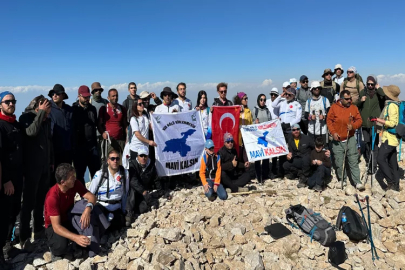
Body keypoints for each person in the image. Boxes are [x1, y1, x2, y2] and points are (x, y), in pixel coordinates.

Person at [44, 163, 104, 259]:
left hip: (68, 217)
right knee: (60, 247)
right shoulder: (52, 197)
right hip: (54, 224)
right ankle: (54, 244)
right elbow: (56, 226)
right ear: (63, 182)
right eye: (72, 177)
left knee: (88, 223)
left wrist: (88, 209)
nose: (75, 179)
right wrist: (75, 237)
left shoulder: (75, 184)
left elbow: (92, 197)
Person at [19, 96, 53, 251]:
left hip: (44, 167)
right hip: (31, 168)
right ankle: (24, 238)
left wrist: (50, 162)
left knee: (41, 200)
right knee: (28, 203)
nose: (48, 113)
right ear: (39, 106)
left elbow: (48, 142)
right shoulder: (25, 117)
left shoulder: (46, 120)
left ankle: (38, 230)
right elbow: (30, 133)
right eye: (46, 109)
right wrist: (40, 115)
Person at [0, 91, 23, 268]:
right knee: (5, 214)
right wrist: (6, 180)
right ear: (0, 104)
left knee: (14, 210)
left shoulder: (15, 123)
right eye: (7, 101)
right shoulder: (0, 125)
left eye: (13, 101)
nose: (11, 104)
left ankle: (8, 245)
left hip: (18, 175)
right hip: (6, 179)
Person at [326, 90, 365, 191]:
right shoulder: (334, 107)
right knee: (339, 161)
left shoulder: (353, 107)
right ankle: (342, 180)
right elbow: (329, 121)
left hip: (350, 138)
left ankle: (357, 182)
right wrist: (333, 132)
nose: (349, 101)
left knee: (353, 160)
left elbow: (359, 120)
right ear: (341, 99)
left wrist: (353, 126)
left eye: (350, 98)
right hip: (337, 140)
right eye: (347, 99)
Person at [89, 150, 129, 231]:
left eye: (117, 159)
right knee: (101, 225)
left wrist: (124, 211)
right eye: (112, 159)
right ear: (108, 161)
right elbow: (90, 193)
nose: (115, 161)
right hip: (102, 206)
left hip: (116, 206)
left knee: (118, 226)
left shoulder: (125, 173)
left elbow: (125, 193)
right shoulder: (100, 174)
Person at [126, 146, 163, 226]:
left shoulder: (151, 165)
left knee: (143, 209)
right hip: (134, 190)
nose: (143, 158)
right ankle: (128, 214)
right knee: (132, 192)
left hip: (144, 192)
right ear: (137, 156)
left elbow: (156, 179)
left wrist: (161, 191)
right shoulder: (132, 164)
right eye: (141, 156)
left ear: (148, 156)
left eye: (145, 156)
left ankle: (135, 211)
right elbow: (133, 180)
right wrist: (143, 191)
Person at [72, 86, 100, 185]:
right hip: (79, 147)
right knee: (79, 175)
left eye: (88, 97)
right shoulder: (73, 110)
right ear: (79, 96)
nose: (87, 99)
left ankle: (96, 195)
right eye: (84, 97)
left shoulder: (92, 109)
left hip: (92, 146)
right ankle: (83, 197)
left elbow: (96, 124)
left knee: (96, 173)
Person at [375, 85, 401, 191]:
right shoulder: (395, 105)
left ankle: (390, 182)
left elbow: (392, 123)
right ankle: (396, 185)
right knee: (392, 162)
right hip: (393, 138)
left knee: (380, 159)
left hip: (389, 139)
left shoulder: (391, 106)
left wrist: (378, 120)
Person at [272, 87, 302, 178]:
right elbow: (273, 105)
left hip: (290, 130)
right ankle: (281, 172)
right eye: (286, 94)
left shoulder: (297, 104)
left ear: (293, 95)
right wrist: (281, 95)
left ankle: (291, 171)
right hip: (281, 130)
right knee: (281, 151)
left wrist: (289, 124)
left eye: (289, 95)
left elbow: (298, 118)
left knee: (291, 151)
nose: (287, 96)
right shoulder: (282, 102)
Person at [358, 76, 385, 174]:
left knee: (375, 144)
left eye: (372, 84)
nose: (370, 86)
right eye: (368, 84)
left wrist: (379, 88)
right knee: (368, 144)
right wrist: (361, 101)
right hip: (365, 123)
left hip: (375, 123)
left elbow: (384, 96)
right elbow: (357, 105)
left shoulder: (378, 93)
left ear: (375, 84)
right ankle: (369, 163)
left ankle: (373, 166)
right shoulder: (363, 93)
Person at [48, 84, 73, 184]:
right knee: (54, 180)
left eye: (57, 94)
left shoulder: (69, 110)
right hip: (54, 152)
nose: (55, 95)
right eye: (53, 94)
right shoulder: (48, 109)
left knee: (67, 178)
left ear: (63, 95)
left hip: (67, 150)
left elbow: (73, 129)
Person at [283, 124, 315, 188]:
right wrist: (288, 157)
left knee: (305, 159)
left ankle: (304, 178)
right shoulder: (290, 140)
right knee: (285, 165)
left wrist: (323, 152)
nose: (296, 131)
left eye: (297, 129)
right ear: (292, 131)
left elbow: (315, 147)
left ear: (300, 130)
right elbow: (291, 153)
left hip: (307, 159)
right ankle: (299, 174)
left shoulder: (307, 138)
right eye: (294, 130)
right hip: (298, 159)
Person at [98, 88, 127, 156]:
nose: (115, 97)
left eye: (116, 95)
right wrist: (103, 133)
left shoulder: (122, 109)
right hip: (109, 141)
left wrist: (127, 139)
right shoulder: (104, 109)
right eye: (113, 96)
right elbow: (99, 124)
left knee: (121, 162)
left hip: (121, 140)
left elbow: (125, 125)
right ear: (108, 97)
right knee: (110, 161)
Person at [128, 97, 156, 162]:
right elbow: (137, 134)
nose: (142, 105)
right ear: (135, 106)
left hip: (145, 148)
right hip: (136, 148)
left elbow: (151, 127)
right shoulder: (133, 119)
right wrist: (149, 142)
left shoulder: (145, 116)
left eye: (142, 103)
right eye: (140, 104)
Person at [253, 94, 272, 182]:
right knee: (258, 157)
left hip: (266, 137)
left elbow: (271, 121)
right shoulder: (255, 110)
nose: (262, 101)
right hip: (257, 137)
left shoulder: (267, 110)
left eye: (264, 100)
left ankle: (265, 174)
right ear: (258, 100)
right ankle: (258, 175)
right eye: (261, 99)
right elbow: (251, 123)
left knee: (266, 156)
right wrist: (255, 122)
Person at [90, 82, 109, 162]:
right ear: (93, 92)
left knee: (104, 157)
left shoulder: (105, 102)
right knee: (95, 158)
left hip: (103, 134)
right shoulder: (90, 102)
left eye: (99, 90)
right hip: (93, 135)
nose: (98, 91)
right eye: (96, 90)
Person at [233, 92, 253, 158]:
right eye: (245, 99)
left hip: (247, 135)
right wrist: (239, 112)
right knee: (239, 155)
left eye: (247, 98)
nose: (246, 100)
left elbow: (250, 123)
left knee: (246, 155)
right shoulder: (235, 110)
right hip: (238, 136)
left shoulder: (248, 110)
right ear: (240, 100)